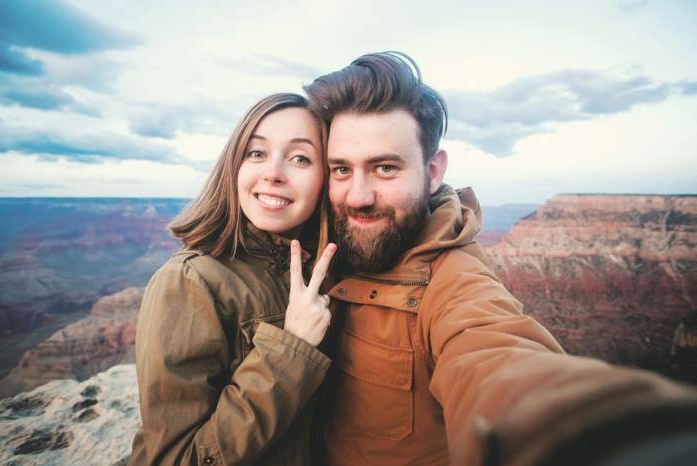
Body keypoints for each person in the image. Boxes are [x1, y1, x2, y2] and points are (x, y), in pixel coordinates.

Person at [304, 52, 697, 466]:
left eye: (385, 168)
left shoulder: (454, 280)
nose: (359, 196)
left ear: (433, 170)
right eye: (342, 170)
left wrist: (602, 438)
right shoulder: (318, 252)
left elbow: (496, 358)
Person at [130, 93, 337, 465]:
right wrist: (291, 347)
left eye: (300, 158)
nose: (273, 172)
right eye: (256, 153)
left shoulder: (317, 270)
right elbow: (176, 459)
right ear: (234, 165)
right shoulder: (189, 282)